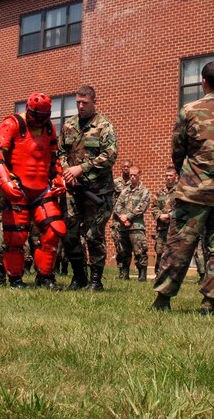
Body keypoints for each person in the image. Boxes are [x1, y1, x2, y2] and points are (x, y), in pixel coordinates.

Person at [151, 60, 214, 314]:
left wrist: (186, 173)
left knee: (179, 245)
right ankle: (210, 302)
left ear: (204, 82)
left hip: (193, 192)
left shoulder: (190, 110)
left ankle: (163, 299)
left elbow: (178, 150)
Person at [0, 92, 67, 289]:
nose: (39, 120)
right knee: (16, 237)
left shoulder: (49, 128)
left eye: (43, 116)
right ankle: (15, 279)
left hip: (42, 189)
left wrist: (58, 177)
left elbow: (54, 157)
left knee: (54, 231)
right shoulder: (12, 123)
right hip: (18, 188)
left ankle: (45, 277)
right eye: (37, 115)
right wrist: (5, 181)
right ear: (29, 110)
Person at [58, 85, 118, 291]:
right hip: (73, 190)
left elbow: (110, 156)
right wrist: (67, 171)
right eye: (78, 102)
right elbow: (60, 153)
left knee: (94, 235)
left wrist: (81, 169)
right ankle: (79, 276)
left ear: (94, 101)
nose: (81, 106)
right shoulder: (69, 125)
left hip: (96, 192)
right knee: (69, 233)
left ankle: (95, 281)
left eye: (85, 103)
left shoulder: (104, 126)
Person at [112, 165, 151, 282]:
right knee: (123, 251)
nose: (132, 177)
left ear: (140, 175)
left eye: (135, 175)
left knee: (140, 251)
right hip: (123, 227)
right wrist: (123, 218)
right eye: (131, 175)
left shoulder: (144, 191)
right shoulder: (125, 190)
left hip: (136, 227)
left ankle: (142, 275)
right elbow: (117, 205)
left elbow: (142, 206)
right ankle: (124, 274)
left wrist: (128, 216)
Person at [151, 166, 178, 275]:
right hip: (161, 228)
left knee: (173, 252)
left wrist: (169, 215)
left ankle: (172, 276)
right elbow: (154, 207)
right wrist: (159, 216)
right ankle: (158, 275)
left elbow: (183, 208)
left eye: (170, 175)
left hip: (174, 228)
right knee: (159, 251)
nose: (168, 178)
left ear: (175, 177)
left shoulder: (180, 192)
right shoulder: (159, 192)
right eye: (166, 176)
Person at [112, 160, 132, 278]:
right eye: (124, 166)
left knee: (128, 245)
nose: (126, 168)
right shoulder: (115, 183)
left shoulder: (134, 183)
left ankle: (127, 270)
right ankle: (121, 271)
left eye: (128, 167)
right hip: (117, 219)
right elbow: (112, 199)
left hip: (130, 219)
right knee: (118, 245)